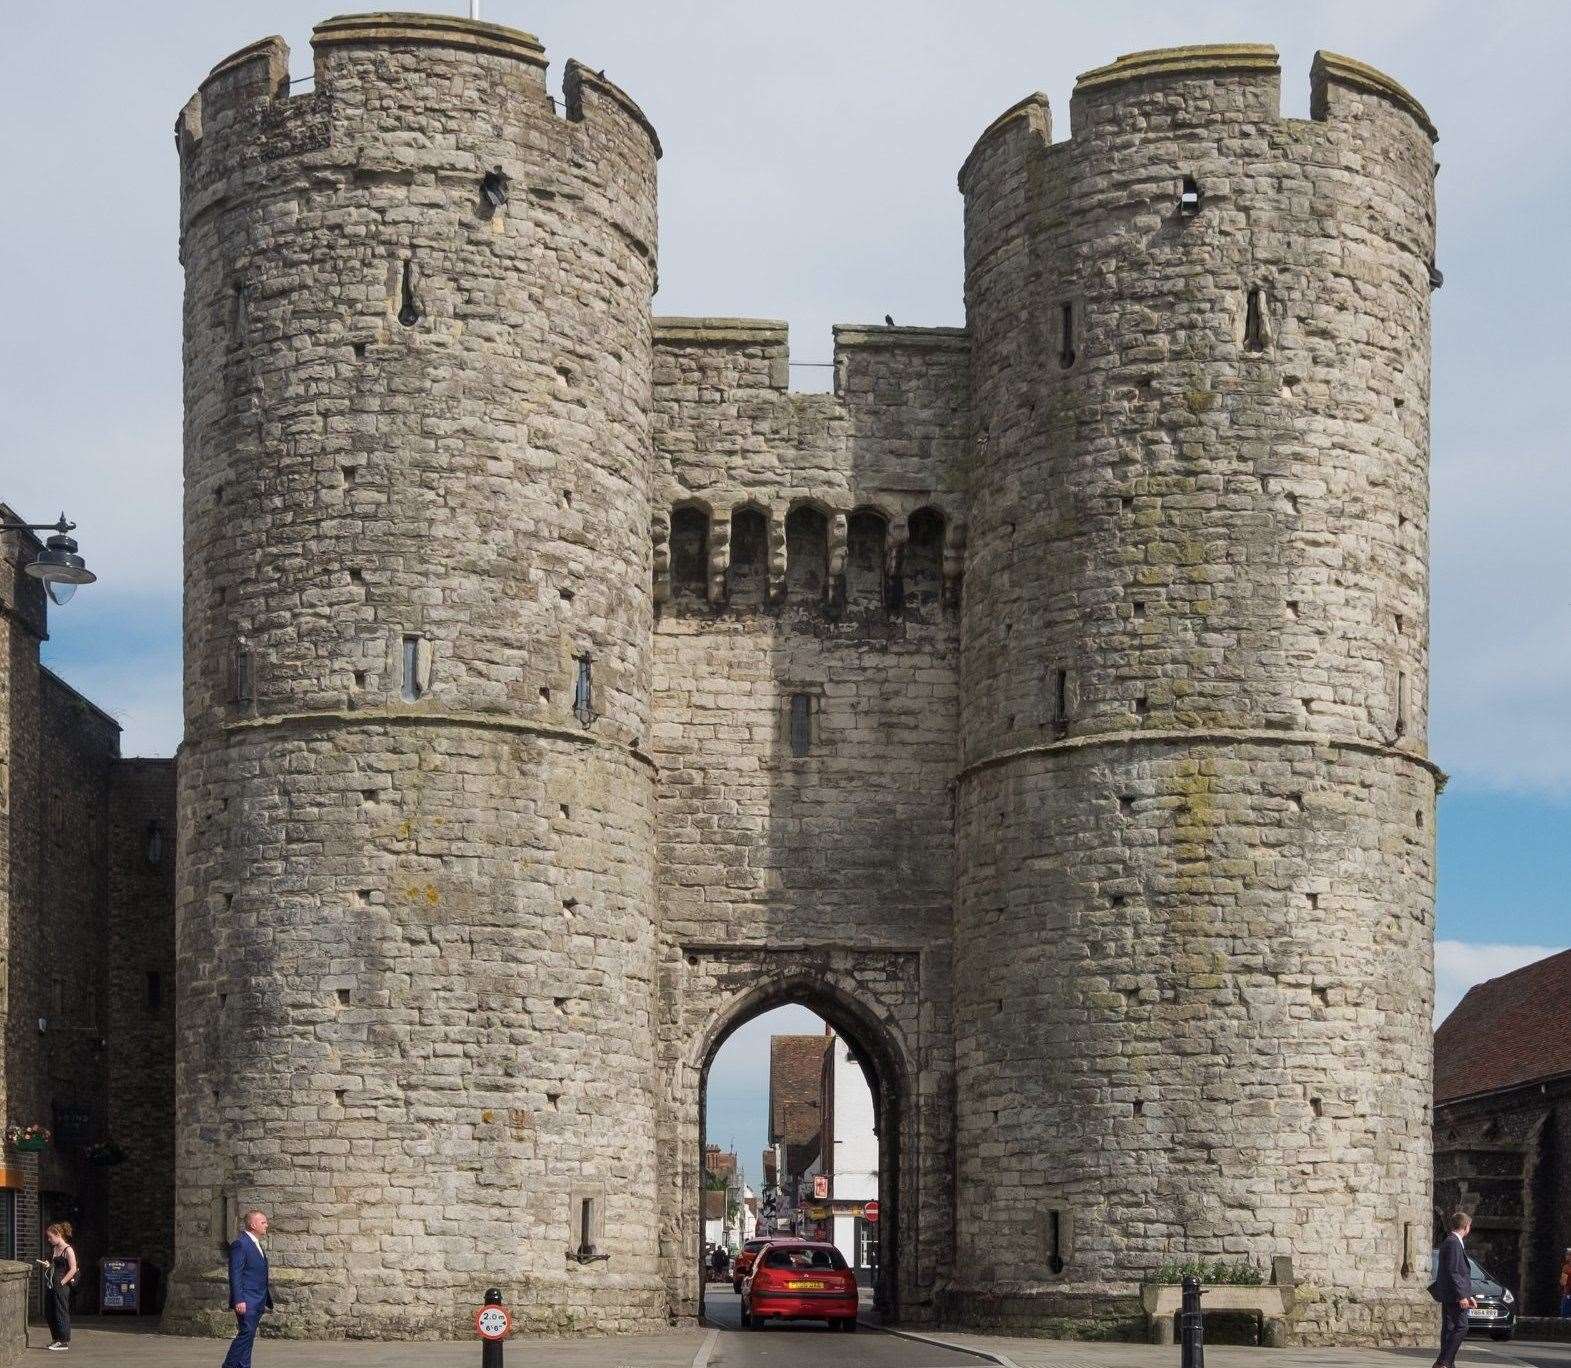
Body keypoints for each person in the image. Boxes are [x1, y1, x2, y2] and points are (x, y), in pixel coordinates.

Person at [222, 1210, 274, 1368]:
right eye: (263, 1222)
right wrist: (239, 1299)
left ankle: (243, 1365)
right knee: (245, 1334)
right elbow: (235, 1273)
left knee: (249, 1336)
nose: (267, 1225)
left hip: (258, 1299)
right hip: (247, 1300)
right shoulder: (241, 1244)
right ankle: (229, 1365)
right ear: (253, 1224)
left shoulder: (255, 1244)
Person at [1432, 1211, 1476, 1368]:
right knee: (1462, 1327)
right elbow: (1453, 1271)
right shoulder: (1453, 1243)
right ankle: (1443, 1362)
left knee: (1450, 1329)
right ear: (1466, 1227)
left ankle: (1446, 1363)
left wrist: (1468, 1295)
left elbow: (1458, 1271)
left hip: (1451, 1294)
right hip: (1453, 1295)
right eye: (1469, 1226)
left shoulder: (1452, 1241)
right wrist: (1461, 1296)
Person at [35, 1222, 78, 1352]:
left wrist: (62, 1282)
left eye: (50, 1237)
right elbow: (56, 1267)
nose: (49, 1240)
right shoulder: (54, 1249)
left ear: (58, 1235)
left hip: (61, 1286)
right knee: (50, 1311)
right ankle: (56, 1339)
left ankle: (63, 1341)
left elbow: (73, 1269)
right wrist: (48, 1265)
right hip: (52, 1284)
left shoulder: (68, 1249)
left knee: (60, 1311)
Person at [1560, 1246, 1571, 1317]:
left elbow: (1563, 1282)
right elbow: (1563, 1282)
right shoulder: (1565, 1267)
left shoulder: (1566, 1268)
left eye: (1568, 1254)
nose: (1566, 1256)